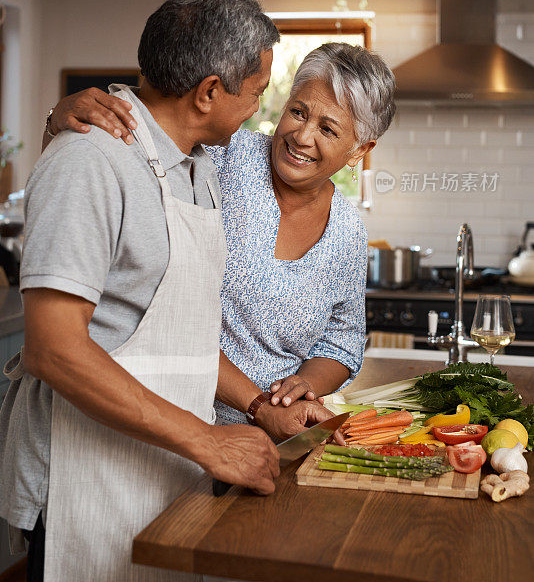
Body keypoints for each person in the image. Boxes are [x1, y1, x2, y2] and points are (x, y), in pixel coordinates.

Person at [0, 0, 334, 582]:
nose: (260, 111)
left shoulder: (198, 169)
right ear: (209, 91)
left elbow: (175, 347)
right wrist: (209, 442)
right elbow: (54, 350)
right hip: (84, 475)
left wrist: (258, 406)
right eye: (258, 93)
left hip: (160, 467)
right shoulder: (89, 161)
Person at [46, 41, 396, 428]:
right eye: (298, 112)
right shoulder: (223, 156)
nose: (302, 136)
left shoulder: (347, 230)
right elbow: (109, 163)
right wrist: (57, 119)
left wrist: (299, 388)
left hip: (279, 434)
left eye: (327, 129)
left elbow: (341, 342)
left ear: (359, 149)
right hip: (170, 416)